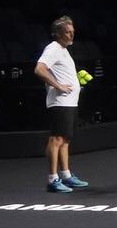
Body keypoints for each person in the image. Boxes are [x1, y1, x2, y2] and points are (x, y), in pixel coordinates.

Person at [33, 15, 87, 193]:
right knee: (56, 139)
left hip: (70, 102)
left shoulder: (64, 50)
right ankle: (52, 179)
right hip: (59, 102)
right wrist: (57, 85)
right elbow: (39, 69)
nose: (71, 35)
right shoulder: (53, 48)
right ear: (57, 34)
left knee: (65, 139)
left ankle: (66, 176)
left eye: (72, 32)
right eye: (67, 32)